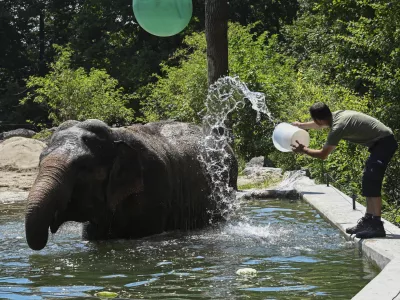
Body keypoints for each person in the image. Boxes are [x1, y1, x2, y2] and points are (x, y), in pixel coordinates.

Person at [291, 102, 398, 239]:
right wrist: (301, 126)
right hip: (381, 143)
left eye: (314, 120)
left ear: (318, 119)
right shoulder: (335, 116)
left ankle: (377, 225)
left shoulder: (338, 127)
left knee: (372, 180)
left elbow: (323, 155)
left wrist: (304, 150)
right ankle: (368, 220)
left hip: (385, 143)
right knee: (367, 180)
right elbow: (317, 124)